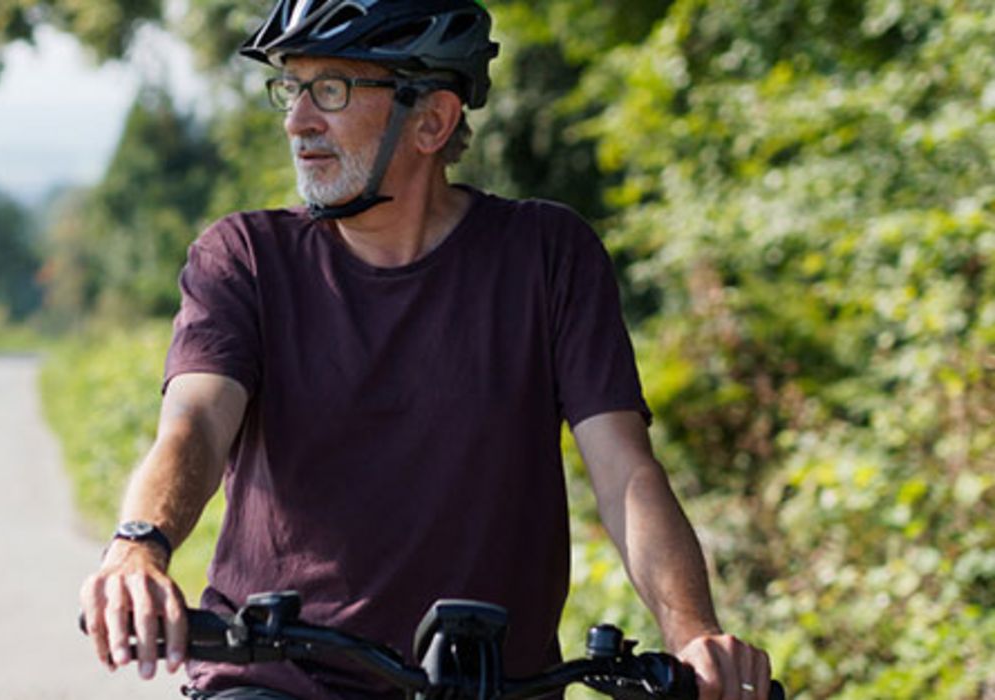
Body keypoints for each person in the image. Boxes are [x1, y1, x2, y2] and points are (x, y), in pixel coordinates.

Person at [79, 1, 773, 699]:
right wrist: (140, 543)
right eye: (292, 88)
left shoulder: (545, 257)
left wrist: (691, 634)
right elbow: (194, 424)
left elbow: (624, 471)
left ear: (433, 120)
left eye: (332, 88)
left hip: (489, 685)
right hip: (280, 680)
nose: (297, 121)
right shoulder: (247, 258)